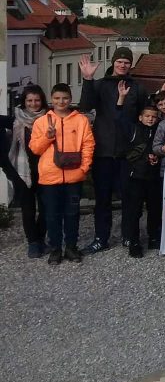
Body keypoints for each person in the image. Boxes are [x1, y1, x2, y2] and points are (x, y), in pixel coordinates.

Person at [78, 49, 147, 254]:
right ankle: (101, 237)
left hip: (128, 153)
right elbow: (85, 105)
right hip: (104, 150)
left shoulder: (137, 88)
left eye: (126, 62)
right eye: (119, 61)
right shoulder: (100, 85)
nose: (123, 65)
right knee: (102, 198)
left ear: (130, 65)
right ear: (113, 62)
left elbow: (143, 117)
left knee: (129, 198)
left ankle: (128, 235)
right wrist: (88, 79)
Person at [29, 83, 95, 265]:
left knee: (72, 213)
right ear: (51, 99)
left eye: (65, 98)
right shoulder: (42, 122)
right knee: (52, 215)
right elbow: (35, 148)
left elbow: (88, 144)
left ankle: (71, 247)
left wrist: (84, 168)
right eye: (57, 98)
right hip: (50, 177)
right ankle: (55, 249)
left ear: (70, 99)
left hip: (74, 176)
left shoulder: (81, 120)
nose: (61, 101)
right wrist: (48, 136)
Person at [118, 91, 161, 258]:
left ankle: (153, 237)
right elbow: (120, 121)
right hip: (135, 176)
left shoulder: (159, 130)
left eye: (154, 117)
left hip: (153, 177)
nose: (150, 119)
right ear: (140, 117)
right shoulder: (134, 130)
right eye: (147, 116)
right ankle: (134, 241)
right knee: (134, 211)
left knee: (154, 209)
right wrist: (121, 99)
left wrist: (157, 157)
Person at [8, 85, 48, 258]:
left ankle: (40, 238)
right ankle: (33, 242)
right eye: (29, 100)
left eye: (37, 100)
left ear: (42, 101)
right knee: (28, 208)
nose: (33, 104)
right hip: (23, 170)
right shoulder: (16, 120)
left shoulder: (49, 118)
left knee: (46, 207)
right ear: (24, 101)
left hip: (45, 169)